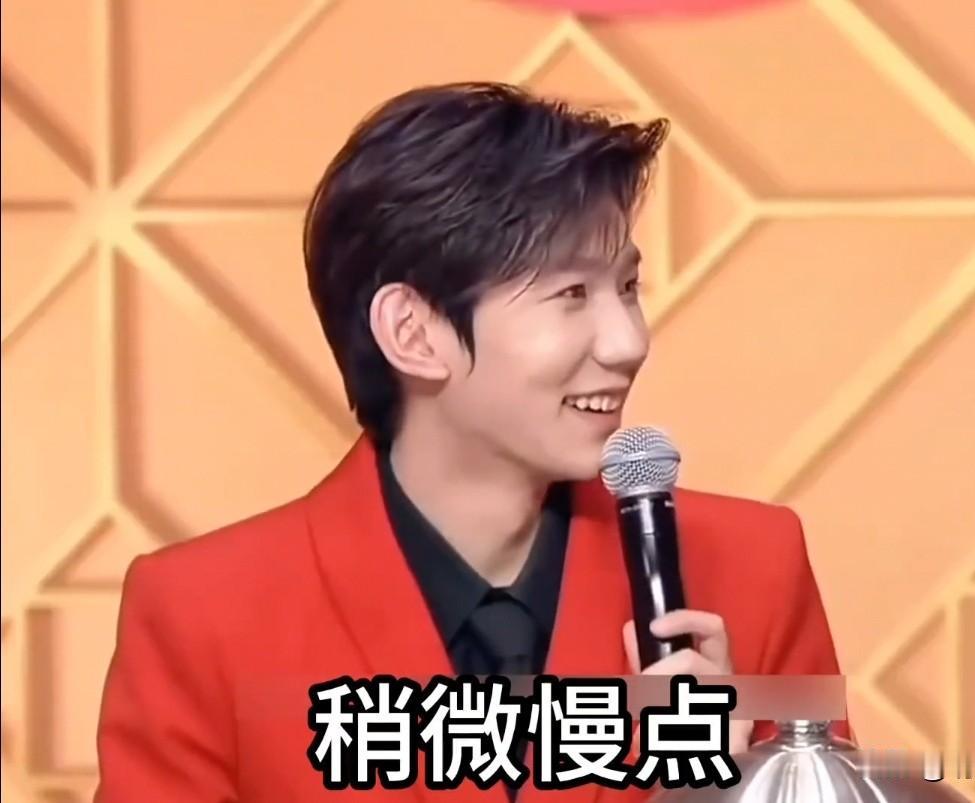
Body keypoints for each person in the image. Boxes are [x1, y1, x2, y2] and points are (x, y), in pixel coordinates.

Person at [94, 82, 847, 803]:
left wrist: (716, 786)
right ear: (413, 333)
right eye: (571, 294)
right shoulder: (203, 615)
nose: (627, 342)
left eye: (626, 287)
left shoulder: (752, 567)